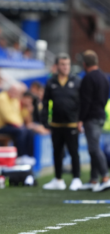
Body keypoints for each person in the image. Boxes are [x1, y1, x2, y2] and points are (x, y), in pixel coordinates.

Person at [41, 53, 82, 191]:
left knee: (73, 152)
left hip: (72, 124)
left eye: (68, 64)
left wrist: (81, 120)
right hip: (56, 124)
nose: (65, 67)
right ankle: (58, 179)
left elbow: (83, 103)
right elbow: (45, 103)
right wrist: (45, 120)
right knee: (57, 152)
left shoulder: (77, 81)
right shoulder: (51, 82)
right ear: (57, 66)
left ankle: (76, 178)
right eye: (63, 64)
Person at [78, 50, 110, 192]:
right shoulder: (104, 77)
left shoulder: (88, 78)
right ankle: (93, 180)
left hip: (91, 117)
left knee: (94, 148)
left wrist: (80, 119)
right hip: (101, 115)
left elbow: (86, 102)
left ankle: (105, 177)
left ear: (84, 64)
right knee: (94, 149)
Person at [0, 84, 35, 165]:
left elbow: (18, 116)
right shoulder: (2, 98)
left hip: (9, 125)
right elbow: (7, 117)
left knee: (29, 131)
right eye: (14, 91)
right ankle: (20, 156)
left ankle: (29, 157)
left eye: (17, 92)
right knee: (21, 131)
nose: (16, 94)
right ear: (9, 90)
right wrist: (20, 125)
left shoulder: (14, 99)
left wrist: (26, 109)